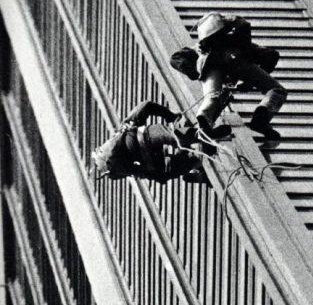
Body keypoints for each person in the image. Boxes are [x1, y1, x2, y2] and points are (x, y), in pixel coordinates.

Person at [91, 96, 230, 183]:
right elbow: (147, 105)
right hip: (144, 136)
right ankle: (198, 137)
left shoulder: (116, 169)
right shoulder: (124, 129)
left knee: (165, 172)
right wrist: (171, 116)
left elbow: (139, 172)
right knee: (173, 136)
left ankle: (196, 163)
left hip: (148, 162)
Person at [194, 12, 287, 141]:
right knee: (277, 91)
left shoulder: (205, 49)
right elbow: (271, 55)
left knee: (211, 97)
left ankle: (204, 125)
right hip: (235, 61)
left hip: (209, 63)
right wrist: (250, 83)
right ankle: (261, 119)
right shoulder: (248, 47)